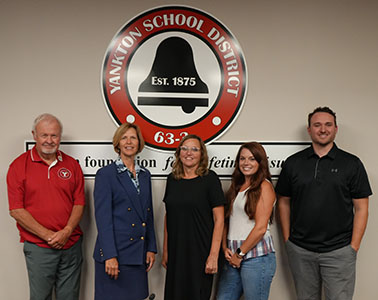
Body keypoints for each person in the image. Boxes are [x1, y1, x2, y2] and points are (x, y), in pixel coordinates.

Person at [276, 106, 372, 300]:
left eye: (328, 125)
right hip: (300, 250)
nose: (323, 129)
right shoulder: (293, 163)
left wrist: (353, 247)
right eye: (317, 125)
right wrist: (288, 240)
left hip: (339, 251)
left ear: (336, 129)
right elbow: (283, 202)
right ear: (309, 129)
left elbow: (362, 208)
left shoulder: (352, 164)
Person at [7, 113, 85, 300]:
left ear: (60, 137)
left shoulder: (72, 165)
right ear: (34, 135)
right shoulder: (18, 166)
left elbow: (79, 202)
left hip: (71, 245)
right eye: (44, 135)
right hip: (39, 247)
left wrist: (66, 232)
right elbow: (16, 210)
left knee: (70, 297)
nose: (49, 140)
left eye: (54, 135)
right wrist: (49, 236)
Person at [93, 122, 157, 300]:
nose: (129, 142)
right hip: (115, 256)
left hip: (138, 255)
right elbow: (103, 219)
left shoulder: (145, 174)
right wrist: (110, 256)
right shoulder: (105, 174)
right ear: (118, 143)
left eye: (133, 138)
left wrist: (151, 248)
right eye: (124, 138)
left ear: (139, 143)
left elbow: (148, 214)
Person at [162, 134, 225, 300]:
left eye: (194, 149)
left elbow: (219, 220)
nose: (189, 153)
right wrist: (166, 250)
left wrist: (213, 255)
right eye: (184, 148)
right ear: (179, 153)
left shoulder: (210, 179)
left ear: (201, 154)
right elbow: (168, 216)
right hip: (176, 252)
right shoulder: (172, 179)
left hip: (201, 253)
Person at [216, 142, 276, 300]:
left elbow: (261, 228)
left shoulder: (265, 186)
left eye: (251, 159)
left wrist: (240, 253)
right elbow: (228, 220)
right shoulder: (237, 186)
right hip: (233, 255)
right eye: (242, 158)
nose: (246, 163)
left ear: (260, 162)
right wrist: (224, 247)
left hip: (256, 257)